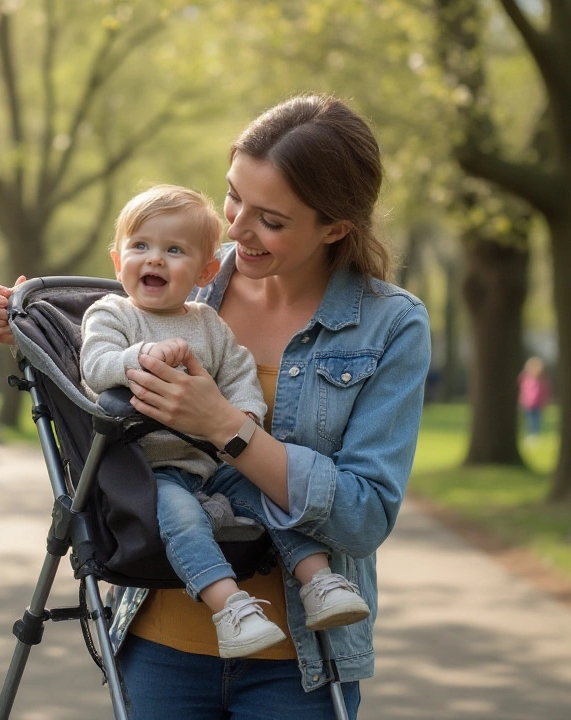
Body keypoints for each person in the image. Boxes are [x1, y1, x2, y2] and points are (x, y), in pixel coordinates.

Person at [0, 94, 431, 718]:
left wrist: (222, 424)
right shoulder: (186, 283)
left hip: (296, 670)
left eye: (270, 219)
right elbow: (101, 338)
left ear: (335, 228)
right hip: (157, 642)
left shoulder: (388, 325)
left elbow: (363, 515)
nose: (239, 227)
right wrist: (24, 324)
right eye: (233, 196)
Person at [80, 184, 369, 659]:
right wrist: (141, 355)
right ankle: (230, 607)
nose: (154, 259)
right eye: (140, 246)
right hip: (152, 471)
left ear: (204, 271)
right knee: (182, 519)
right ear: (117, 261)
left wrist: (246, 415)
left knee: (273, 494)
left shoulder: (207, 324)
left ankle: (318, 580)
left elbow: (237, 373)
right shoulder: (112, 314)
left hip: (213, 464)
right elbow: (96, 366)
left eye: (174, 250)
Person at [518, 356, 551, 441]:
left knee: (536, 420)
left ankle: (535, 434)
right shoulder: (526, 379)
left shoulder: (542, 381)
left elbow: (545, 392)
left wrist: (545, 401)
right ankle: (530, 434)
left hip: (537, 404)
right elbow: (522, 389)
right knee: (529, 420)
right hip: (528, 403)